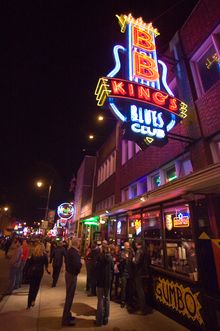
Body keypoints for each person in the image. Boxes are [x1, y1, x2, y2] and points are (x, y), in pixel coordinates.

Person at [62, 237, 82, 327]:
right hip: (72, 275)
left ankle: (67, 315)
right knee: (69, 297)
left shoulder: (70, 251)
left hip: (69, 274)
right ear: (76, 243)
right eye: (79, 242)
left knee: (69, 296)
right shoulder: (74, 252)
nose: (80, 244)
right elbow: (77, 265)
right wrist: (81, 264)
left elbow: (67, 261)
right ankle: (65, 319)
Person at [95, 241, 114, 326]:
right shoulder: (110, 258)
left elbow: (96, 268)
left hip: (100, 280)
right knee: (107, 298)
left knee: (100, 300)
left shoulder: (99, 257)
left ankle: (99, 320)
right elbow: (113, 267)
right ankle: (106, 318)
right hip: (107, 281)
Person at [26, 243, 50, 309]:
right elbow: (46, 265)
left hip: (32, 272)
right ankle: (33, 300)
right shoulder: (44, 255)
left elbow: (29, 264)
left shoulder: (34, 254)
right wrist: (48, 271)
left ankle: (28, 305)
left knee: (31, 288)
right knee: (36, 287)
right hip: (39, 273)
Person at [133, 240, 151, 315]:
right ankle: (144, 306)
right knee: (144, 290)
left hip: (139, 273)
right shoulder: (146, 251)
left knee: (140, 291)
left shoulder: (139, 251)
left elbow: (136, 261)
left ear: (137, 244)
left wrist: (133, 259)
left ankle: (142, 309)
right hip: (146, 273)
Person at [119, 241, 135, 310]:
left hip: (130, 272)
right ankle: (123, 301)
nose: (127, 247)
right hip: (124, 273)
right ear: (124, 246)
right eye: (126, 246)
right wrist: (123, 259)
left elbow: (134, 260)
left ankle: (130, 301)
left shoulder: (132, 252)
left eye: (128, 246)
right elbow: (120, 261)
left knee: (130, 288)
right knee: (123, 288)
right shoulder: (122, 252)